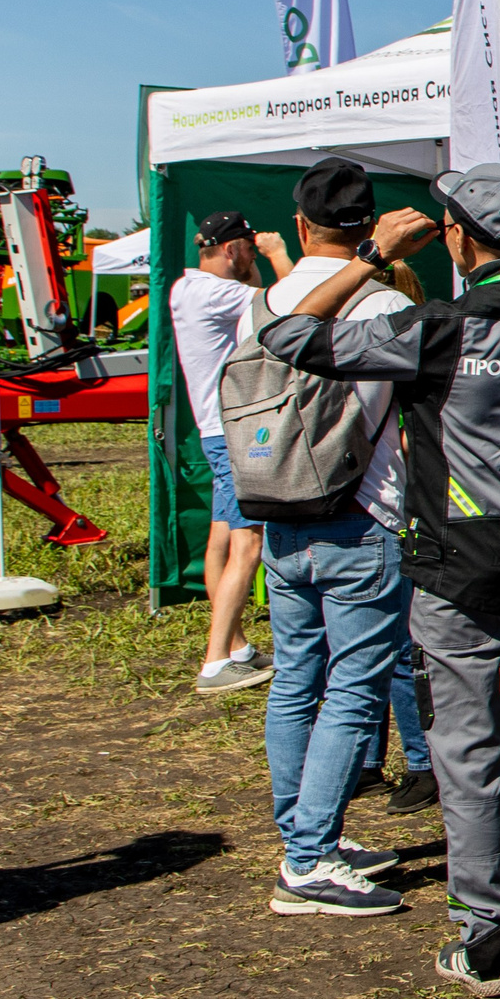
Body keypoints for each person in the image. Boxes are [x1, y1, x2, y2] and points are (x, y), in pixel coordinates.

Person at [258, 161, 500, 999]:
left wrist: (370, 257)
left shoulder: (431, 328)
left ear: (458, 239)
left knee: (469, 753)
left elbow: (288, 336)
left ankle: (489, 934)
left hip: (455, 573)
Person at [235, 163, 420, 919]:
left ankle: (308, 837)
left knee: (295, 679)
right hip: (362, 512)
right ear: (369, 224)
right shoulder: (387, 303)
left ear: (301, 225)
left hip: (279, 509)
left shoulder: (266, 302)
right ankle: (309, 859)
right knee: (354, 687)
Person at [169, 210, 287, 693]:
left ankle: (234, 646)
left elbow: (253, 297)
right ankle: (216, 660)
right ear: (233, 249)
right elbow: (292, 302)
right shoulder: (218, 293)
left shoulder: (188, 288)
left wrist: (250, 263)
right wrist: (276, 255)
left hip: (213, 430)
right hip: (234, 433)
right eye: (247, 249)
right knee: (249, 543)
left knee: (221, 536)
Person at [357, 259, 438, 817]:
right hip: (394, 506)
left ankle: (421, 762)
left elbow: (416, 437)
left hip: (397, 509)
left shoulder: (402, 348)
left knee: (397, 649)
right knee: (381, 649)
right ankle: (376, 759)